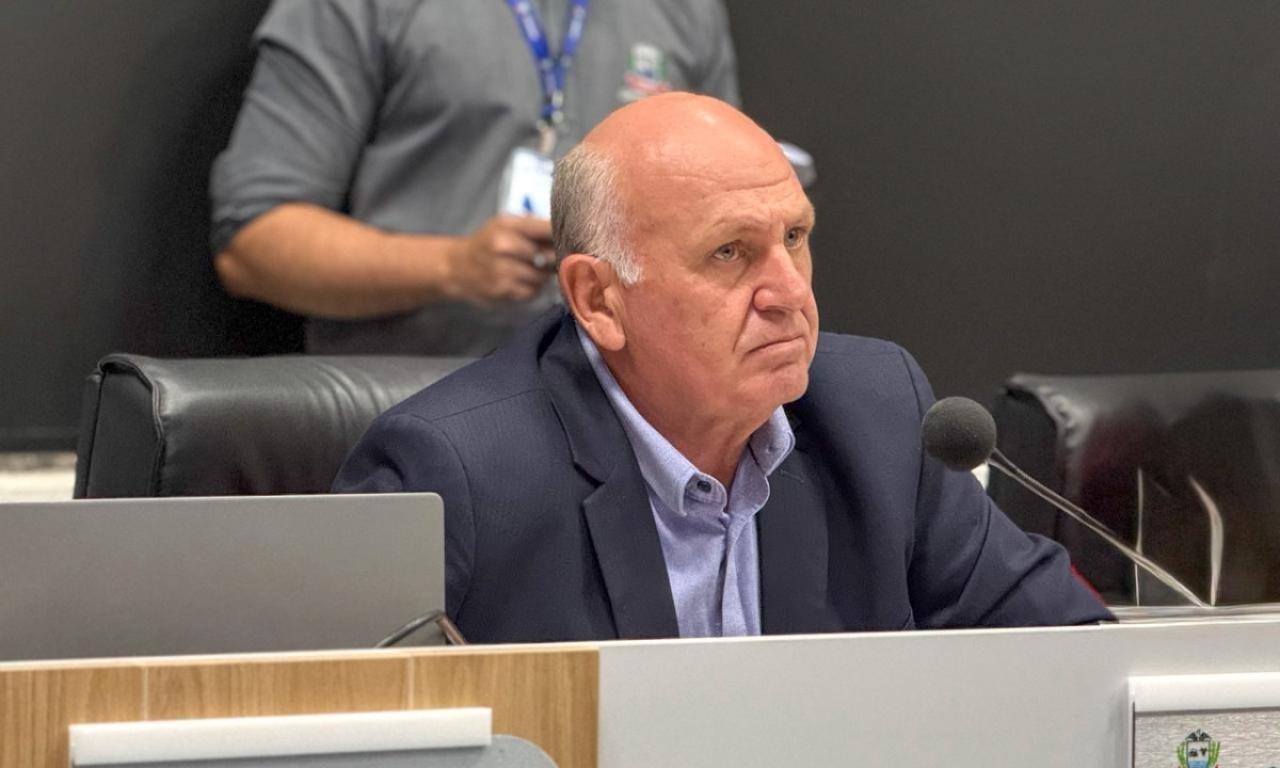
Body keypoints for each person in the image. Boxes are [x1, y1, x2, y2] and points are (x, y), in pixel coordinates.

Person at [333, 93, 1112, 643]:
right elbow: (341, 733)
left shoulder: (877, 415)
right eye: (730, 252)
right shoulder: (457, 476)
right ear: (599, 299)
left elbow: (1074, 654)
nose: (789, 293)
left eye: (795, 238)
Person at [210, 0, 740, 355]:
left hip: (635, 416)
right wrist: (454, 267)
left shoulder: (687, 11)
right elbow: (253, 244)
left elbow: (729, 220)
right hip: (420, 410)